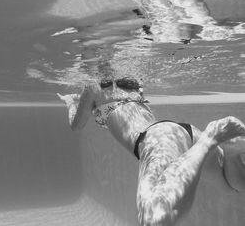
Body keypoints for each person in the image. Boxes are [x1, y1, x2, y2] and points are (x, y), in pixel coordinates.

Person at [57, 78, 245, 226]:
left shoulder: (93, 87)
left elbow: (76, 125)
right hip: (178, 132)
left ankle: (210, 138)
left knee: (154, 219)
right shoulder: (133, 85)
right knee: (233, 187)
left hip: (156, 140)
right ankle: (232, 153)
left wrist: (70, 102)